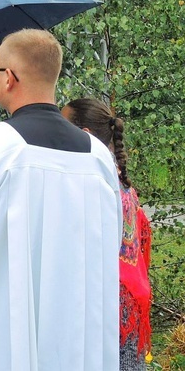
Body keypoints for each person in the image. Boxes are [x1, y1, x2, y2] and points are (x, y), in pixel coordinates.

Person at [0, 29, 123, 371]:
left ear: (8, 79)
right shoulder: (98, 158)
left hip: (2, 331)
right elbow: (108, 242)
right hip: (76, 334)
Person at [62, 98, 152, 371]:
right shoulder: (120, 180)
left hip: (111, 306)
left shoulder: (95, 184)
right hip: (130, 302)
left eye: (64, 128)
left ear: (84, 135)